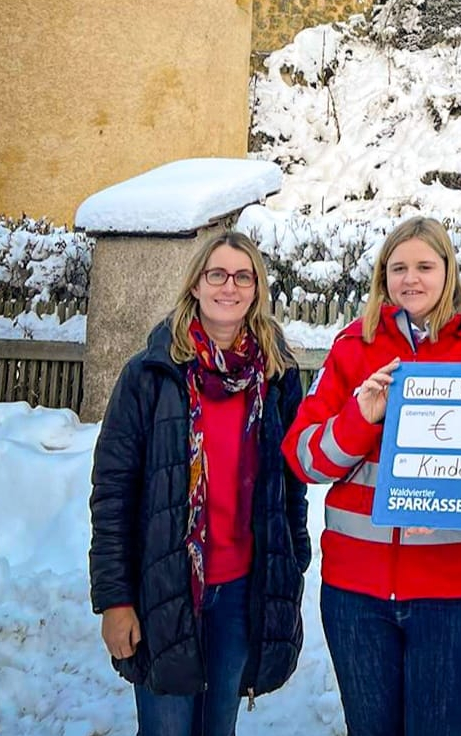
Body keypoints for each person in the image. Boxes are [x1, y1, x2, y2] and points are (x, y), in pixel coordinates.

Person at [283, 216, 461, 736]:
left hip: (451, 593)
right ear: (382, 276)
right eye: (398, 267)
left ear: (448, 271)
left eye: (425, 266)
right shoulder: (351, 348)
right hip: (356, 595)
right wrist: (360, 417)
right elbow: (304, 459)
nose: (411, 279)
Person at [89, 231, 311, 736]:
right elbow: (113, 493)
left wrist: (293, 557)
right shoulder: (150, 374)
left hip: (240, 591)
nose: (228, 286)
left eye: (242, 276)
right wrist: (115, 599)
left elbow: (289, 484)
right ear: (195, 284)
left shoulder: (275, 378)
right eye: (217, 274)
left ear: (256, 288)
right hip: (164, 589)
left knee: (219, 728)